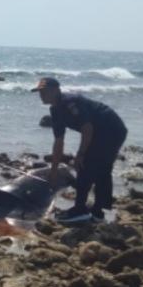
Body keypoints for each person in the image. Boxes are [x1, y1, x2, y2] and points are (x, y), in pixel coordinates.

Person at [33, 77, 127, 224]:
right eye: (40, 92)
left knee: (87, 165)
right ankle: (96, 213)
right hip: (98, 132)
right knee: (96, 168)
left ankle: (81, 210)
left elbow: (87, 128)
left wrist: (80, 154)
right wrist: (53, 171)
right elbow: (58, 142)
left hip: (112, 129)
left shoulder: (70, 102)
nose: (42, 95)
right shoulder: (55, 111)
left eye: (45, 92)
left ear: (56, 90)